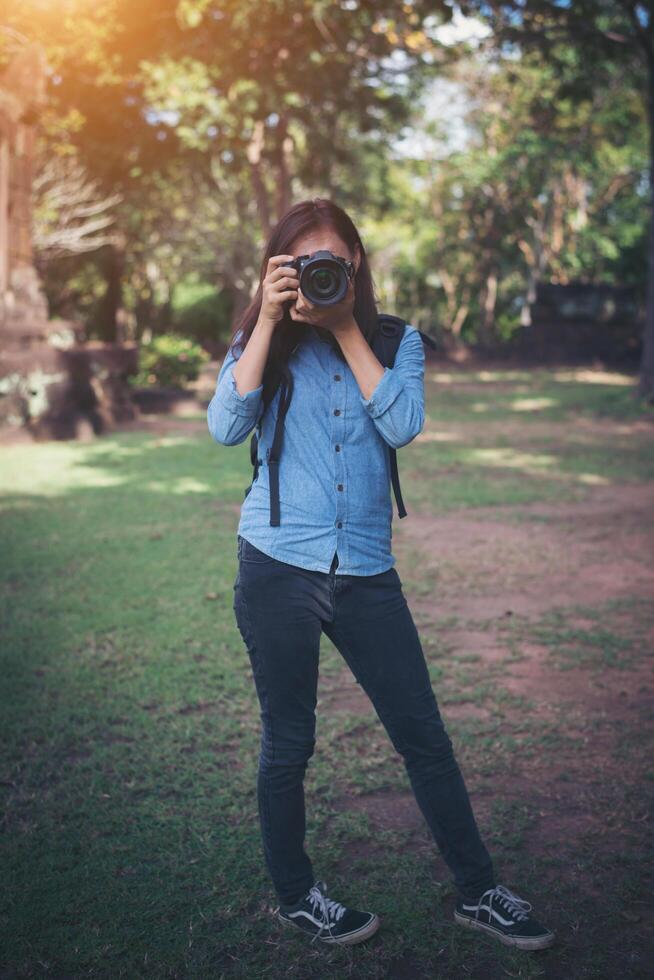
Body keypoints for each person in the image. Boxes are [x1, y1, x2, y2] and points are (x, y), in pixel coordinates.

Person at [207, 198, 556, 952]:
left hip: (366, 570)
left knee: (424, 737)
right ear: (279, 270)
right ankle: (298, 896)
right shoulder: (262, 339)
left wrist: (343, 330)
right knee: (288, 743)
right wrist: (268, 322)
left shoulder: (397, 341)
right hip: (276, 565)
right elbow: (225, 427)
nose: (318, 273)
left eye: (330, 260)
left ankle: (478, 891)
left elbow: (402, 425)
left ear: (356, 262)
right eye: (301, 264)